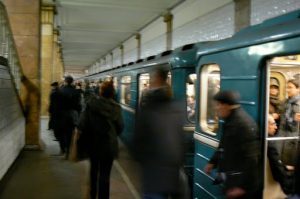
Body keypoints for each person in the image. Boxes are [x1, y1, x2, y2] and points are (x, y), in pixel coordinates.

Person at [134, 67, 188, 199]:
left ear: (157, 79)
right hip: (173, 173)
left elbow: (138, 142)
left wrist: (142, 159)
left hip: (154, 173)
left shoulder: (148, 108)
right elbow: (182, 141)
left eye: (152, 78)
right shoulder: (177, 108)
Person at [204, 90, 262, 199]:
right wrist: (212, 162)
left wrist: (243, 187)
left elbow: (252, 158)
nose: (216, 108)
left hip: (241, 186)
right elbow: (224, 145)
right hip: (233, 179)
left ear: (226, 105)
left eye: (218, 105)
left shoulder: (243, 125)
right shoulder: (231, 120)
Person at [78, 80, 124, 199]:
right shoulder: (116, 108)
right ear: (113, 93)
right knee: (105, 175)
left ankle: (93, 195)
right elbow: (120, 127)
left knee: (93, 171)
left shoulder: (91, 104)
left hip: (93, 143)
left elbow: (82, 124)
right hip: (109, 145)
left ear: (100, 91)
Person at [55, 76, 82, 158]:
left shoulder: (60, 91)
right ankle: (68, 152)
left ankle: (63, 149)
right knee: (70, 133)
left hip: (61, 114)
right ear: (72, 82)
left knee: (60, 132)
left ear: (65, 81)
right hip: (72, 115)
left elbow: (57, 104)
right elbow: (79, 105)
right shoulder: (76, 92)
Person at [265, 114, 288, 197]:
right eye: (273, 124)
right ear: (266, 124)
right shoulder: (270, 144)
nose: (276, 127)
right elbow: (277, 168)